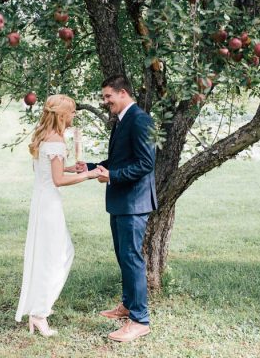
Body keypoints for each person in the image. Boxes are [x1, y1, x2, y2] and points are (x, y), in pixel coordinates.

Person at [77, 75, 157, 342]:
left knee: (132, 258)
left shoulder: (140, 120)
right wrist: (89, 167)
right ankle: (127, 305)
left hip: (134, 202)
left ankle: (140, 320)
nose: (105, 101)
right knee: (124, 256)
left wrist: (111, 176)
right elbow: (118, 160)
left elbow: (146, 163)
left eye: (108, 96)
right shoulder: (123, 120)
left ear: (123, 93)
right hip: (122, 201)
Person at [15, 94, 102, 337]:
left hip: (42, 202)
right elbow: (58, 180)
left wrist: (69, 167)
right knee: (57, 256)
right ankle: (39, 313)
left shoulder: (46, 137)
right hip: (49, 205)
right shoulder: (56, 141)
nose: (74, 115)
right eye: (72, 112)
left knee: (52, 254)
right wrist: (88, 175)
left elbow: (49, 169)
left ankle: (39, 311)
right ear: (62, 115)